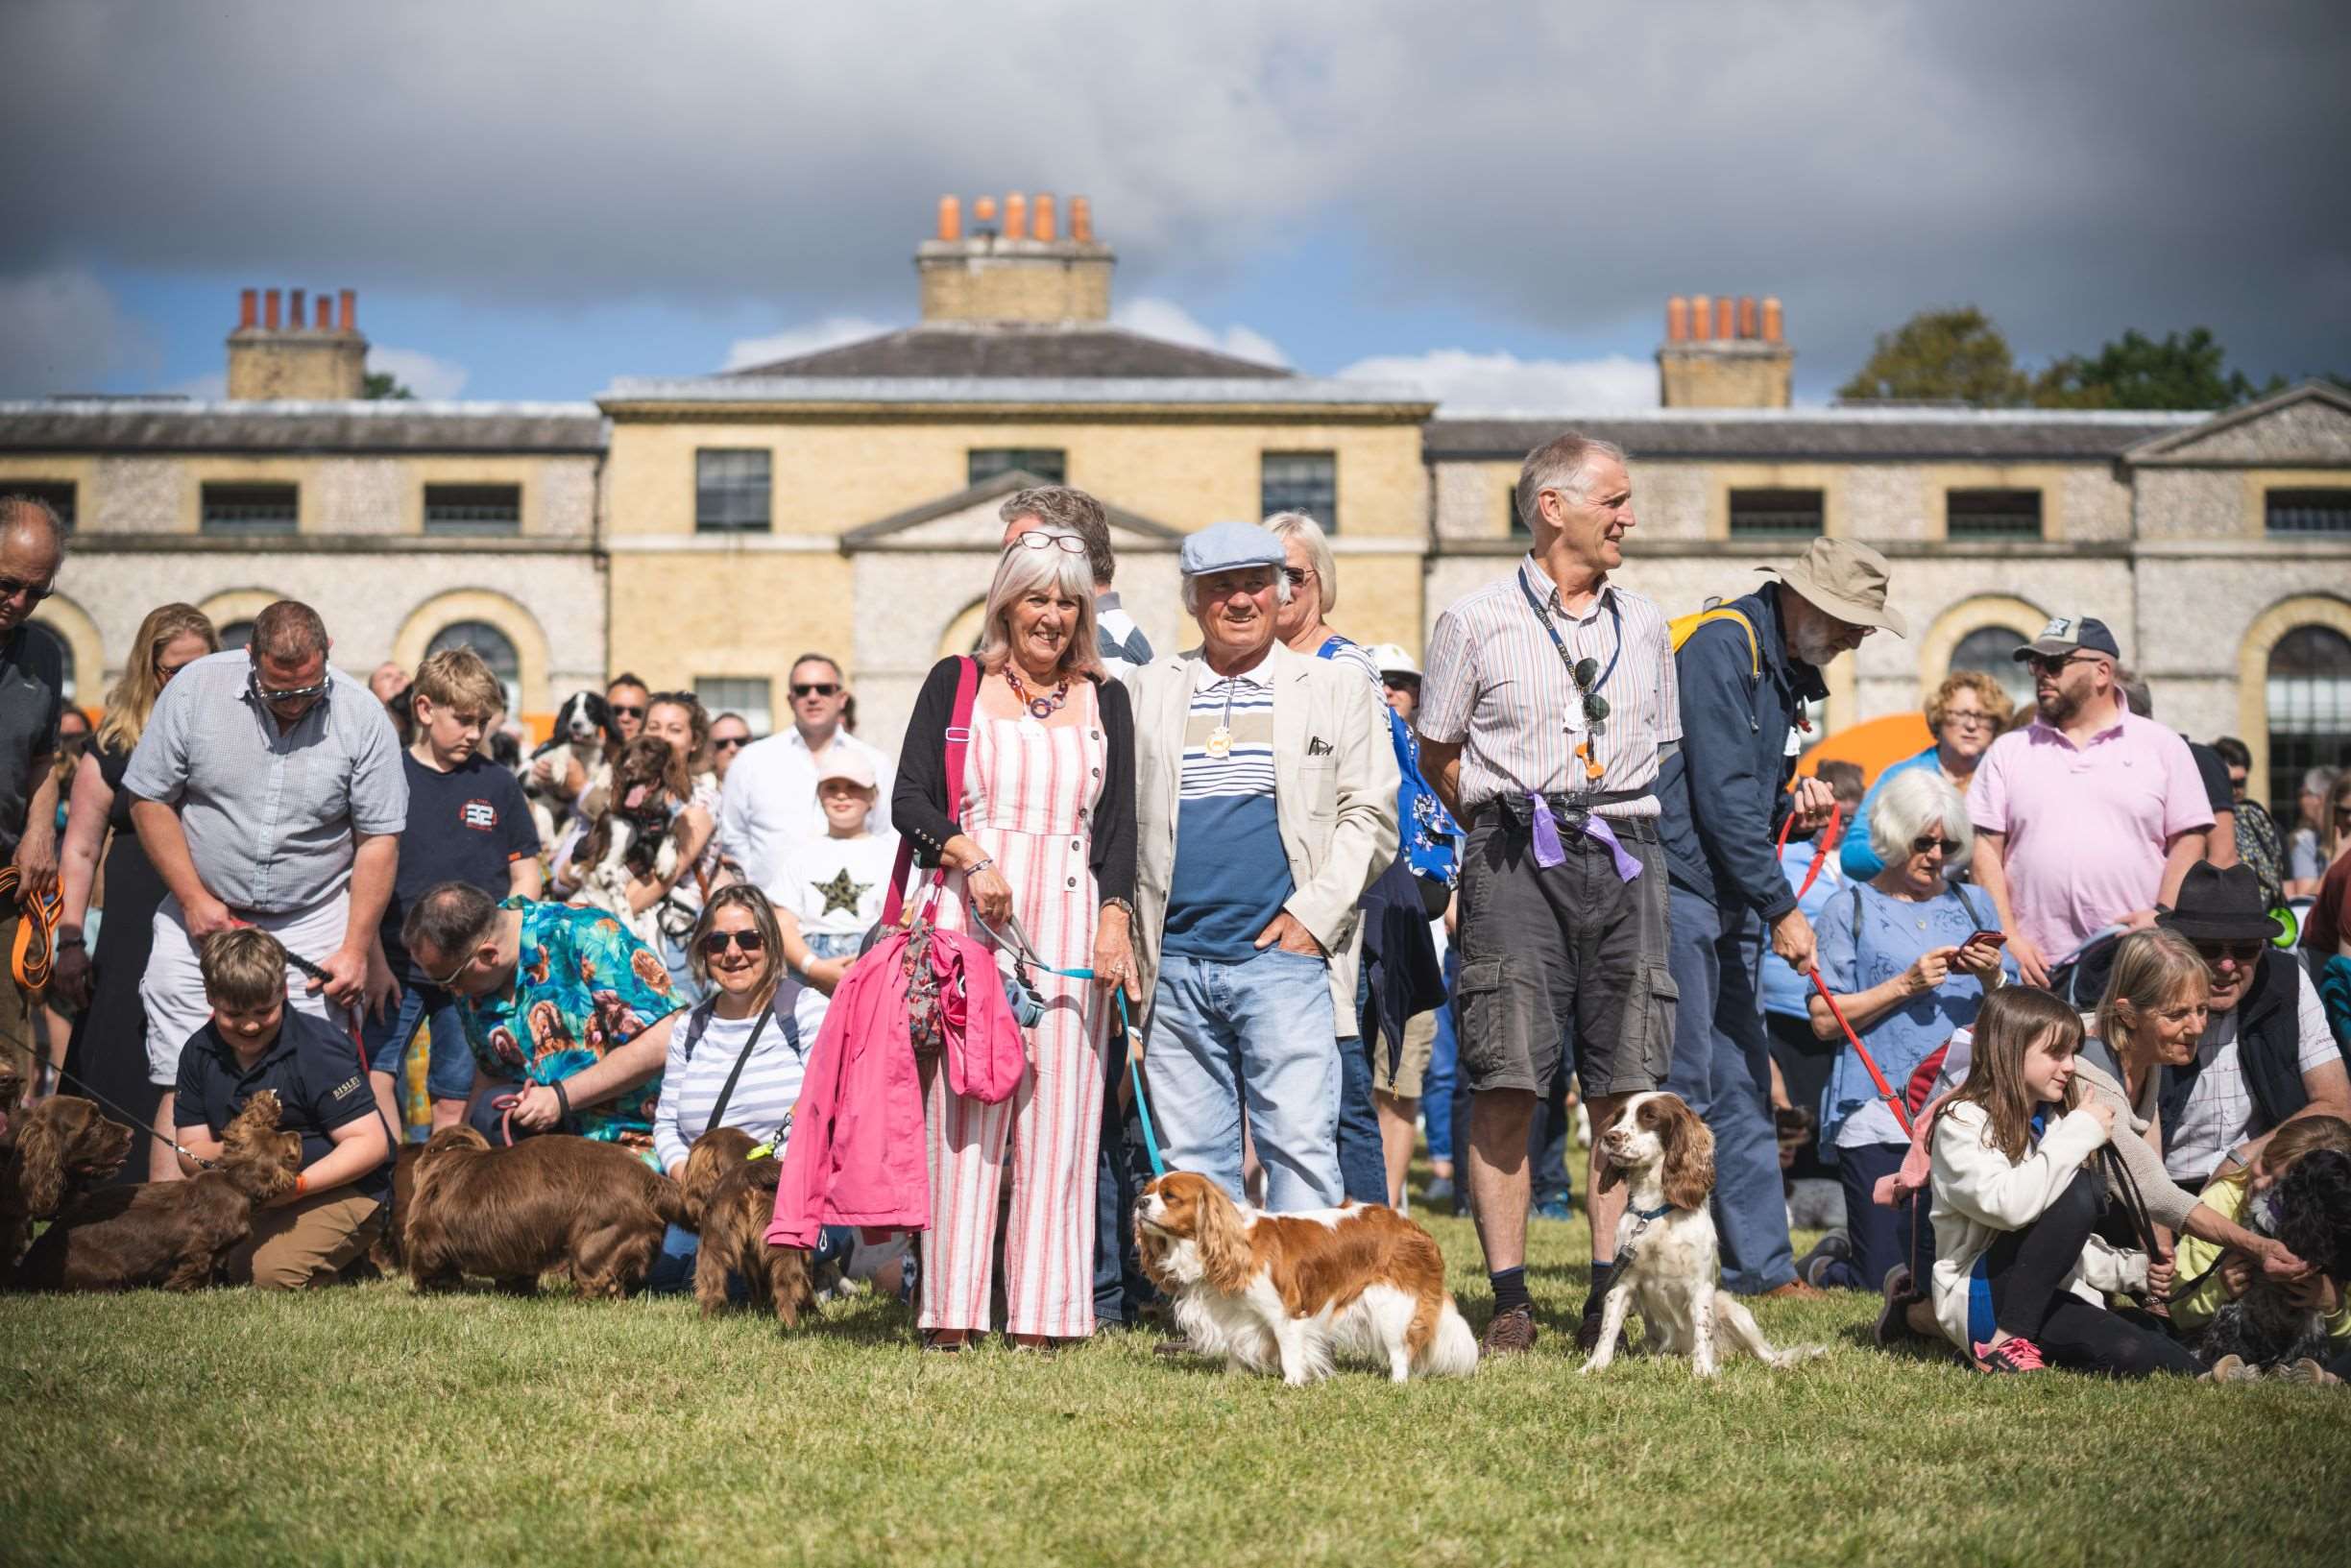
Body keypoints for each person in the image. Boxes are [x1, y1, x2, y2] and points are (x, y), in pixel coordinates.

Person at [1418, 433, 1684, 1351]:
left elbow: (1664, 746)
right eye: (1613, 499)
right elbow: (1439, 751)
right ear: (1553, 506)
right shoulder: (1474, 618)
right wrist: (1508, 827)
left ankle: (1608, 1294)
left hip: (1627, 846)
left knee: (1625, 1083)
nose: (1628, 516)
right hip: (1512, 854)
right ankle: (1513, 1299)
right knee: (1507, 1076)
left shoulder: (1645, 622)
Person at [894, 529, 1138, 1348]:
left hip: (1072, 916)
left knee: (1063, 1122)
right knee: (966, 1113)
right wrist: (970, 855)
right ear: (1008, 602)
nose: (1053, 616)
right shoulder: (956, 684)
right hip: (972, 914)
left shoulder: (1108, 699)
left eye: (1069, 601)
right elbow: (910, 801)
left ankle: (1048, 1315)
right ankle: (952, 1314)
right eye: (1038, 597)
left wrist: (1115, 921)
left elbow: (1119, 829)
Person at [1655, 536, 1902, 1302]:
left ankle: (1761, 1269)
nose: (1860, 636)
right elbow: (1719, 796)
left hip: (1725, 891)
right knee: (1688, 1083)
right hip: (1682, 888)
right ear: (1806, 602)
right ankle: (1674, 1265)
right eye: (1854, 620)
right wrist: (1783, 904)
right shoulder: (1725, 645)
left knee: (1738, 1082)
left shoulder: (1780, 666)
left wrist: (1787, 813)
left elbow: (1741, 800)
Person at [1128, 520, 1395, 1223]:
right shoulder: (1152, 687)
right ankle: (1219, 1326)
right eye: (1221, 587)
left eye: (1254, 585)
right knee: (1195, 1162)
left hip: (1283, 961)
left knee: (1301, 1149)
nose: (1239, 601)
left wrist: (1311, 917)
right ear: (1194, 600)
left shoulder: (1337, 685)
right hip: (1176, 962)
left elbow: (1371, 815)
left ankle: (1304, 1319)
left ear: (1281, 596)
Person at [124, 600, 406, 1183]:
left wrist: (355, 947)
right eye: (279, 692)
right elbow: (149, 798)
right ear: (250, 659)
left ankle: (287, 1228)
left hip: (311, 917)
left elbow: (378, 839)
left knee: (308, 1075)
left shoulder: (362, 715)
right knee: (186, 1074)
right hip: (198, 910)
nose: (296, 703)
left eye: (309, 688)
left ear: (327, 656)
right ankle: (173, 1233)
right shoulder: (196, 689)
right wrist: (194, 898)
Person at [1802, 770, 2011, 1291]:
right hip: (1878, 1109)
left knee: (1949, 1270)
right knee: (1885, 1280)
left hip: (1964, 1110)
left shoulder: (1974, 904)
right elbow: (1824, 1020)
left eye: (1948, 843)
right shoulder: (1847, 908)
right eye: (1923, 841)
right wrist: (1904, 984)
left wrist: (1994, 977)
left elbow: (2018, 1016)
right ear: (1895, 835)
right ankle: (1829, 1263)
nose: (1937, 855)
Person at [1927, 985, 2203, 1376]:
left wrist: (2135, 1271)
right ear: (2010, 1050)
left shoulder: (2053, 1121)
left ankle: (2218, 1371)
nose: (2071, 1066)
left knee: (2135, 1349)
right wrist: (2081, 1131)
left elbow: (2057, 1245)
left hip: (2040, 1290)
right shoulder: (1962, 1122)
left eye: (2072, 1052)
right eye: (2056, 1054)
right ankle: (2004, 1343)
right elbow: (2009, 1209)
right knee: (2079, 1188)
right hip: (1982, 1294)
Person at [641, 886, 905, 1295]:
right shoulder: (689, 1028)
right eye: (717, 942)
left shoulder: (806, 1011)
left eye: (748, 939)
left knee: (735, 1279)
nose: (733, 953)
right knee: (653, 1272)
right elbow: (667, 1127)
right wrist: (694, 1185)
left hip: (788, 1196)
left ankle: (819, 1264)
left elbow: (834, 1113)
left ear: (771, 944)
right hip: (706, 1199)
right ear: (702, 951)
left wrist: (747, 1186)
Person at [1264, 509, 1404, 1205]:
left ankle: (1374, 1253)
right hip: (1270, 897)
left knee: (1342, 1081)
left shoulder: (1345, 667)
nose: (1281, 589)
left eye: (1294, 574)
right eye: (1268, 575)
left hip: (1349, 897)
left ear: (1321, 581)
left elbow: (1372, 799)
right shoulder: (1257, 666)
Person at [55, 604, 219, 1158]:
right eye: (177, 669)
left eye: (203, 666)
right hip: (130, 918)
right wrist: (71, 941)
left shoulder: (227, 734)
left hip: (205, 911)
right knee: (121, 1039)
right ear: (150, 668)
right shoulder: (116, 741)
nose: (189, 680)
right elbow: (78, 847)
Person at [1968, 616, 2212, 988]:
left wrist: (2162, 914)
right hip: (2037, 967)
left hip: (2138, 959)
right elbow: (1985, 849)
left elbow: (2190, 840)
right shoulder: (2008, 749)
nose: (2041, 675)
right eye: (2035, 664)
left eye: (2054, 664)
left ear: (2102, 672)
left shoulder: (2162, 745)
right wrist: (2007, 937)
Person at [364, 647, 542, 1142]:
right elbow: (359, 876)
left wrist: (503, 948)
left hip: (471, 974)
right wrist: (372, 959)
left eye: (482, 721)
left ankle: (444, 1195)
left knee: (455, 1092)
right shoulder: (386, 776)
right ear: (424, 709)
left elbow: (526, 874)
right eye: (462, 719)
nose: (474, 733)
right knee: (375, 1073)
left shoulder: (499, 784)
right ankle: (387, 1189)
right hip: (395, 967)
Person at [173, 928, 392, 1289]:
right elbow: (189, 1151)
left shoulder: (319, 1049)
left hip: (340, 1186)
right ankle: (337, 1259)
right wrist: (245, 1157)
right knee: (188, 1259)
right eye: (234, 1013)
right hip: (253, 1194)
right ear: (211, 997)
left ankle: (342, 1257)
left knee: (265, 1275)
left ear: (283, 992)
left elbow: (369, 1144)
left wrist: (298, 1186)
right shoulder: (197, 1053)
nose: (250, 1024)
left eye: (264, 1010)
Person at [398, 880, 682, 1148]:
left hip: (631, 1140)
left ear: (488, 955)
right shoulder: (472, 983)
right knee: (488, 1113)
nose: (453, 992)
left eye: (450, 981)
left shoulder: (585, 932)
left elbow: (662, 1041)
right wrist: (467, 1150)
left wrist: (561, 1097)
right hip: (544, 1151)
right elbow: (493, 1075)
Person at [2154, 862, 2351, 1188]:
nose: (2228, 965)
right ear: (2178, 947)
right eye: (2208, 949)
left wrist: (2245, 1156)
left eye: (2244, 949)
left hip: (2259, 1178)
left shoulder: (2287, 982)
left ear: (2261, 949)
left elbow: (2338, 1105)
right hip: (2167, 1185)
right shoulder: (2147, 992)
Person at [2169, 1115, 2351, 1371]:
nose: (2261, 1183)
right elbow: (2177, 1312)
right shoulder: (2219, 1203)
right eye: (2265, 1165)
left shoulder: (2337, 1232)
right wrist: (2219, 1289)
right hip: (2218, 1344)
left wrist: (2334, 1307)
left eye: (2279, 1186)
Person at [717, 652, 894, 895]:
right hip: (769, 912)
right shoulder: (750, 760)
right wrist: (755, 891)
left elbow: (887, 834)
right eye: (802, 690)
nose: (813, 697)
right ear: (790, 699)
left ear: (841, 698)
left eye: (823, 689)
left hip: (854, 915)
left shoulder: (874, 762)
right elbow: (733, 836)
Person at [0, 494, 67, 1108]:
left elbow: (45, 756)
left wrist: (41, 830)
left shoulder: (41, 653)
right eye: (7, 585)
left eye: (35, 592)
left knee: (11, 1070)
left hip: (7, 892)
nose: (18, 603)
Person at [1840, 670, 2010, 880]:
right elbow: (1852, 856)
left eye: (1983, 716)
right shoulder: (1901, 776)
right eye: (1961, 714)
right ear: (1939, 717)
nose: (1972, 725)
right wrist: (1910, 848)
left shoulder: (2004, 776)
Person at [767, 751, 896, 1001]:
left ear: (873, 796)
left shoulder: (891, 855)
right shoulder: (800, 856)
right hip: (810, 970)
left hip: (875, 965)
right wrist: (813, 966)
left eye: (854, 787)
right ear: (819, 794)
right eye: (831, 787)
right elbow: (783, 924)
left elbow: (902, 920)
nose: (841, 794)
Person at [1000, 484, 1154, 674]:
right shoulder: (1099, 638)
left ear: (1071, 551)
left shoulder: (1101, 651)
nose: (1006, 564)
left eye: (1017, 550)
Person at [2214, 736, 2286, 909]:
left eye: (2240, 783)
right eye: (2227, 782)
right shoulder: (2199, 823)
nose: (2232, 790)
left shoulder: (2262, 826)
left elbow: (2282, 886)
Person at [2287, 766, 2339, 895]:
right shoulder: (2306, 840)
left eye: (2304, 794)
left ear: (2321, 798)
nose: (2301, 801)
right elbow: (2305, 899)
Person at [709, 712, 754, 784]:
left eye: (740, 742)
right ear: (710, 751)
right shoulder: (698, 792)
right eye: (722, 743)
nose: (732, 749)